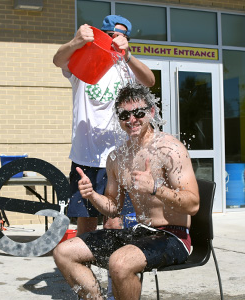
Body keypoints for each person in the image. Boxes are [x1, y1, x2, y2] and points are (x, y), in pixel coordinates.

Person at [53, 83, 200, 300]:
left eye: (138, 113)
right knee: (63, 252)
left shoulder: (171, 149)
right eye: (124, 114)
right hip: (139, 232)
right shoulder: (117, 157)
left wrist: (155, 188)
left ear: (151, 112)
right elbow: (113, 208)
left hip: (173, 236)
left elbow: (193, 205)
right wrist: (92, 194)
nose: (131, 120)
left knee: (120, 263)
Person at [53, 15, 155, 235]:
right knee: (87, 222)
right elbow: (58, 60)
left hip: (119, 158)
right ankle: (84, 266)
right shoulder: (85, 60)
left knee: (114, 221)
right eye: (109, 35)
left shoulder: (126, 68)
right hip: (85, 157)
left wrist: (128, 56)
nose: (114, 40)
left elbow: (150, 81)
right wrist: (76, 42)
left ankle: (117, 268)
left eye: (120, 36)